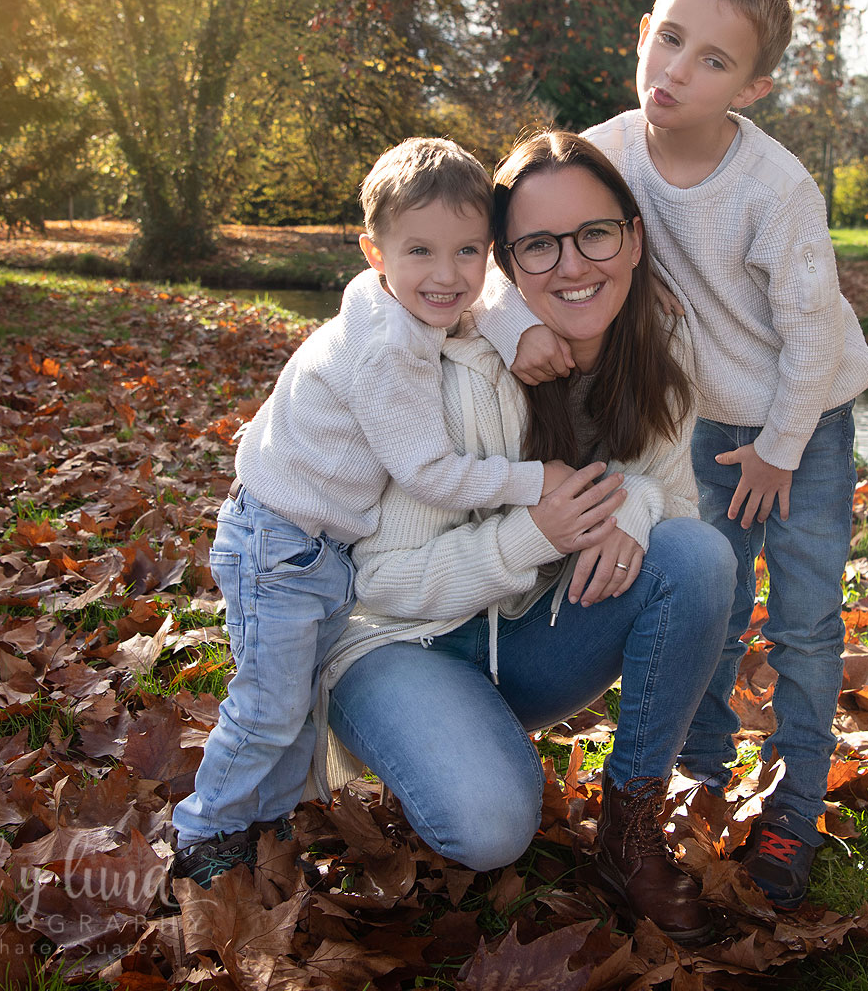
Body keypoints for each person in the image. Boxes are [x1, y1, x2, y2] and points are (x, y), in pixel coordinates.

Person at [476, 0, 868, 910]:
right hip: (700, 416)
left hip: (800, 420)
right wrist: (515, 324)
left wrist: (782, 447)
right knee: (713, 594)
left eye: (712, 61)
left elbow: (815, 328)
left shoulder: (773, 186)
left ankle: (793, 805)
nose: (677, 70)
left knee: (807, 623)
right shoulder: (605, 148)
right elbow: (505, 240)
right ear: (641, 33)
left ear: (753, 86)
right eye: (669, 38)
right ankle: (701, 775)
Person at [315, 132, 737, 945]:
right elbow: (381, 584)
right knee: (488, 826)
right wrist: (534, 532)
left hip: (524, 639)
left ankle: (629, 831)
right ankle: (436, 738)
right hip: (394, 642)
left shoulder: (658, 344)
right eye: (539, 245)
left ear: (633, 237)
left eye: (595, 233)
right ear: (504, 262)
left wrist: (636, 501)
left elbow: (674, 513)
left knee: (698, 557)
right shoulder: (442, 359)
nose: (573, 265)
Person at [171, 138, 569, 887]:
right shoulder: (390, 348)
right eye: (421, 250)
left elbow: (481, 301)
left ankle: (270, 825)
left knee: (297, 701)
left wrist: (516, 327)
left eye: (468, 251)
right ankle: (204, 833)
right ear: (374, 249)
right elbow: (429, 472)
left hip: (314, 543)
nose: (447, 275)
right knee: (269, 706)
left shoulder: (393, 298)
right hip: (280, 543)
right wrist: (531, 480)